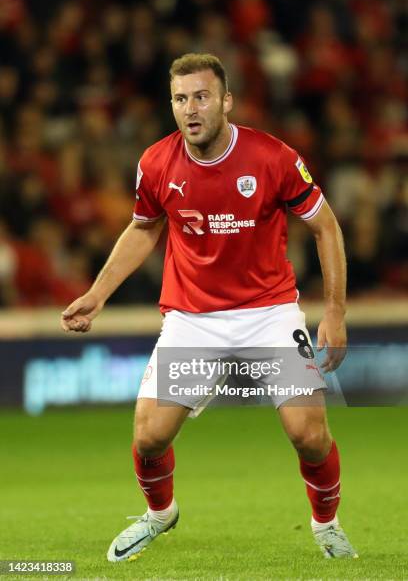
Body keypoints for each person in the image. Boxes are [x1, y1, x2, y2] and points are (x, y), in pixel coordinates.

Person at [61, 53, 357, 562]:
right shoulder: (156, 163)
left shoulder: (272, 158)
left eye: (201, 97)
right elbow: (143, 227)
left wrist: (335, 312)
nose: (190, 109)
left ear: (226, 101)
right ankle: (160, 513)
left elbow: (325, 226)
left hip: (269, 312)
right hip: (194, 319)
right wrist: (97, 293)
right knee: (149, 438)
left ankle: (326, 524)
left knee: (309, 436)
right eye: (180, 99)